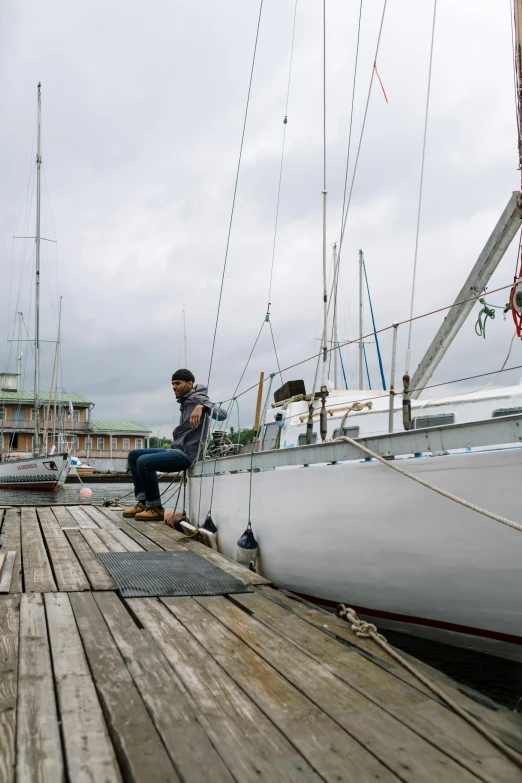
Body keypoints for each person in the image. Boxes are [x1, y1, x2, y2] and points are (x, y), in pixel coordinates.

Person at [123, 369, 226, 521]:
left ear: (190, 384)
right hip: (177, 449)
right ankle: (144, 503)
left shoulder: (197, 398)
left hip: (188, 455)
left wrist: (202, 406)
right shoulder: (187, 400)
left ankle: (155, 507)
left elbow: (222, 414)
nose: (174, 387)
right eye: (172, 384)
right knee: (134, 455)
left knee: (144, 462)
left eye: (177, 383)